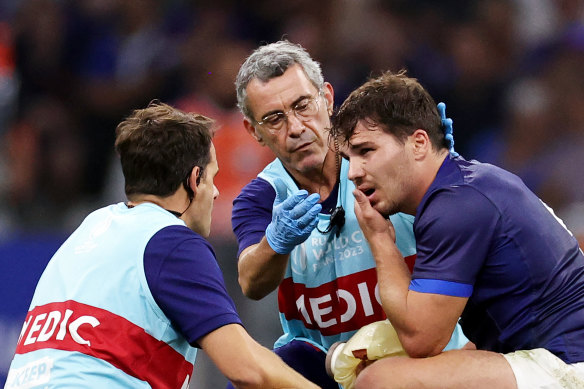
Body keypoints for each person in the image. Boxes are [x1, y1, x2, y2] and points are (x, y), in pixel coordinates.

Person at [4, 102, 319, 389]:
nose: (216, 193)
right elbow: (247, 370)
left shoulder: (91, 227)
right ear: (195, 180)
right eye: (212, 178)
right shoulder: (172, 242)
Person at [231, 40, 469, 388]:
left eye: (302, 106)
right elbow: (250, 282)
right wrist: (275, 242)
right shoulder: (262, 198)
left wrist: (447, 171)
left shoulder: (386, 157)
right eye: (274, 119)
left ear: (327, 98)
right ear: (254, 132)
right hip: (327, 367)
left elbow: (467, 216)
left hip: (426, 359)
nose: (295, 128)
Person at [330, 70, 584, 388]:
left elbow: (422, 340)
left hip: (566, 363)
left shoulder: (456, 205)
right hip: (544, 356)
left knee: (381, 380)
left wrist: (380, 239)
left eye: (366, 151)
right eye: (347, 158)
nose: (353, 172)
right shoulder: (462, 189)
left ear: (419, 143)